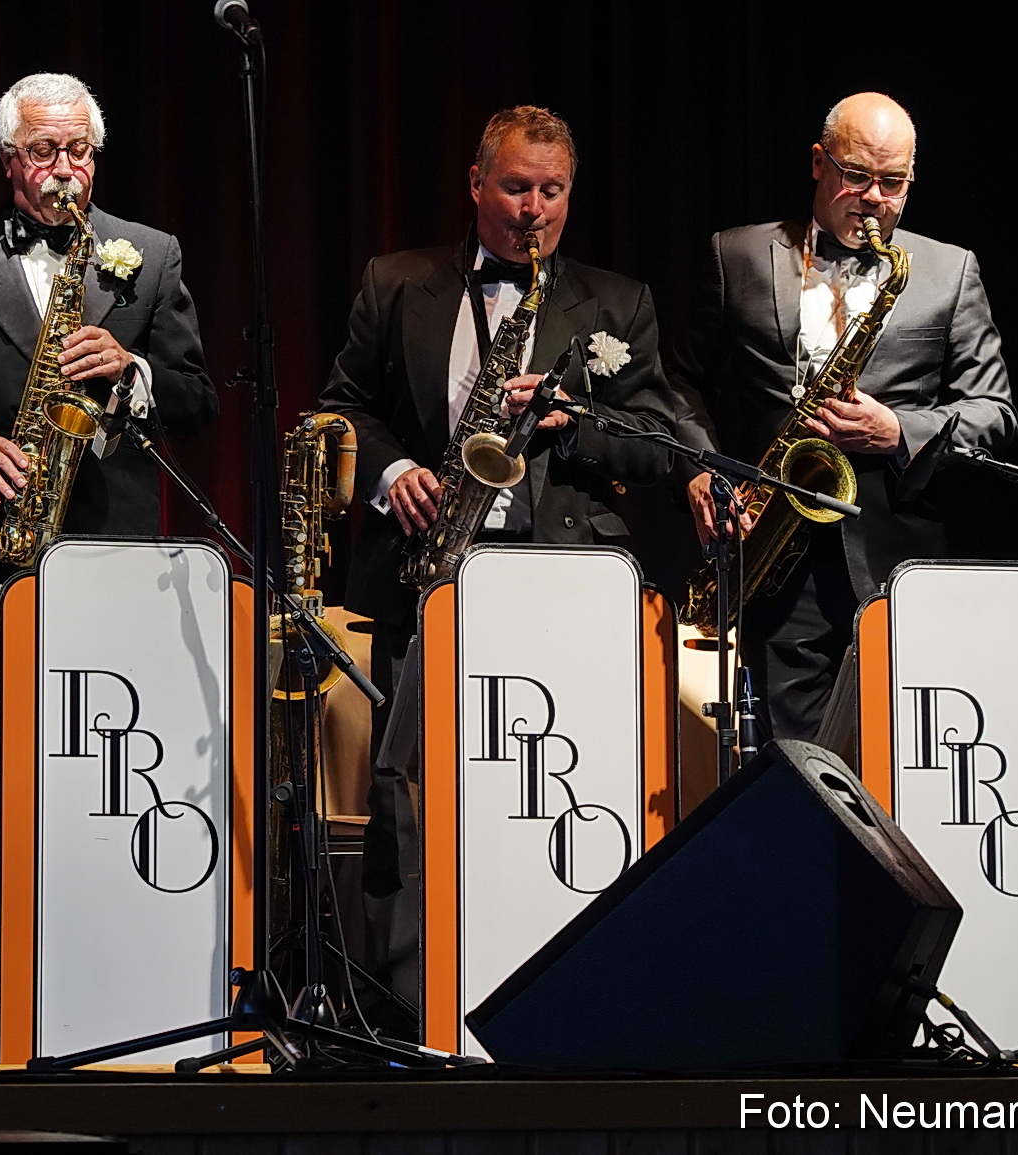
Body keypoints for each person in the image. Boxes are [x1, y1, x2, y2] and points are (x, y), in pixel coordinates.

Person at [0, 72, 217, 1036]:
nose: (62, 169)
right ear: (10, 162)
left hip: (112, 561)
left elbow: (198, 398)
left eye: (78, 152)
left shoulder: (148, 255)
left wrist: (135, 370)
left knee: (111, 773)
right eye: (42, 153)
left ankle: (109, 987)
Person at [319, 106, 680, 1017]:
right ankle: (412, 1007)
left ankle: (571, 991)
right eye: (516, 187)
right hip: (432, 570)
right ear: (477, 185)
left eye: (551, 191)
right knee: (409, 792)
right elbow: (341, 408)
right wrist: (393, 470)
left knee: (555, 784)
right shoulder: (395, 282)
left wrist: (575, 422)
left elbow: (665, 445)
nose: (533, 210)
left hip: (563, 587)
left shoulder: (617, 301)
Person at [668, 92, 1017, 743]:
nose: (874, 199)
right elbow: (679, 381)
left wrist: (899, 430)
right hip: (775, 557)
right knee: (794, 771)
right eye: (857, 176)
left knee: (902, 760)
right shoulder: (735, 255)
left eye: (894, 183)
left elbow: (992, 413)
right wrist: (702, 470)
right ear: (818, 163)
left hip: (896, 563)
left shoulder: (950, 271)